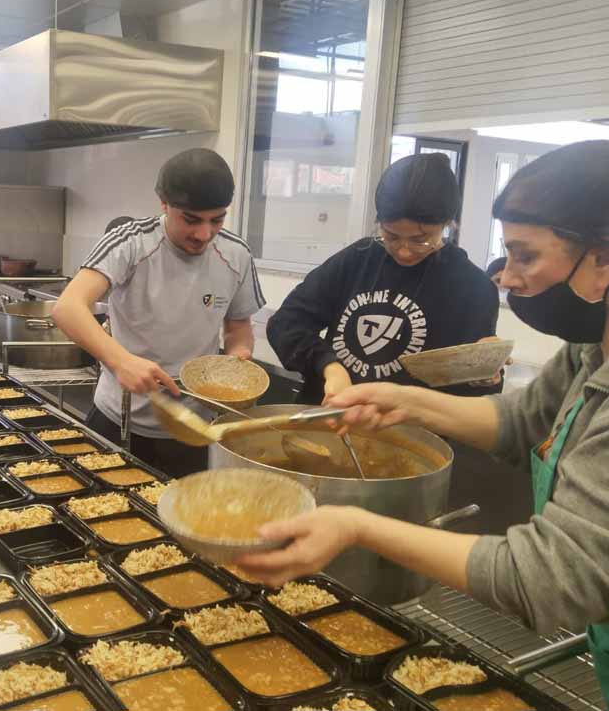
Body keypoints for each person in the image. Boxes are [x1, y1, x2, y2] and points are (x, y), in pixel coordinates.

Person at [239, 140, 609, 706]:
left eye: (526, 256)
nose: (507, 279)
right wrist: (404, 401)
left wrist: (358, 526)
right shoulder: (589, 350)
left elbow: (546, 577)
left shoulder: (468, 288)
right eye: (507, 255)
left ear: (602, 257)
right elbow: (522, 421)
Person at [52, 148, 265, 478]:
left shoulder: (236, 254)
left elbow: (238, 327)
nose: (204, 234)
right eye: (191, 220)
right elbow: (67, 308)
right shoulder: (130, 242)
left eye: (217, 220)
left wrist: (238, 358)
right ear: (164, 203)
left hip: (194, 428)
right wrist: (121, 361)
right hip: (119, 419)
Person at [267, 153, 501, 404]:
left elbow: (473, 398)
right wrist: (329, 366)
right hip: (328, 417)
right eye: (391, 236)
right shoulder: (357, 260)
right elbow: (286, 324)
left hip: (409, 426)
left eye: (420, 240)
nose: (404, 251)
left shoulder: (472, 287)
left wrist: (484, 374)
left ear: (447, 224)